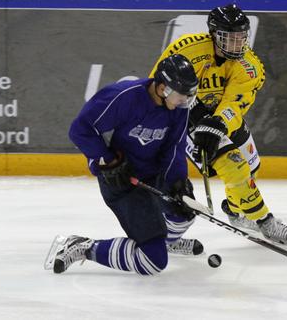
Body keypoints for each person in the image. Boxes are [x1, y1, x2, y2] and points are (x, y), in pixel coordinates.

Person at [149, 4, 287, 245]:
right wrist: (195, 115)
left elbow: (234, 102)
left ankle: (234, 210)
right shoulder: (187, 50)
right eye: (228, 38)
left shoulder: (251, 66)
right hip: (185, 116)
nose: (236, 44)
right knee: (234, 167)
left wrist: (218, 123)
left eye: (241, 38)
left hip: (221, 118)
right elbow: (160, 84)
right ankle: (265, 221)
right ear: (213, 34)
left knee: (252, 168)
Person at [49, 55, 201, 275]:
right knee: (153, 262)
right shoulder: (125, 97)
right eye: (181, 95)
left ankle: (166, 241)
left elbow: (175, 146)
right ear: (161, 88)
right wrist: (107, 159)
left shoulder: (178, 107)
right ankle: (83, 247)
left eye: (189, 96)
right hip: (121, 180)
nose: (185, 101)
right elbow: (80, 129)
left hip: (154, 172)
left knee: (183, 212)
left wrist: (177, 183)